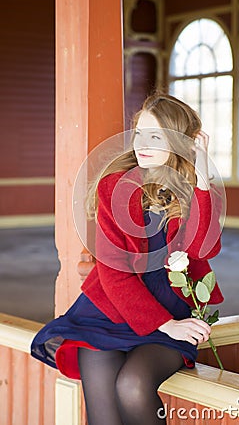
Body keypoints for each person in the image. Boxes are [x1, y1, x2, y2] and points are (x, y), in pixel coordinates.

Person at [31, 92, 224, 425]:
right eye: (139, 133)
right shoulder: (114, 188)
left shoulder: (192, 192)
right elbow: (114, 273)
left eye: (156, 135)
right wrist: (169, 325)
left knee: (133, 385)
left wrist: (202, 178)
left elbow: (198, 251)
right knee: (104, 412)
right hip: (110, 309)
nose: (142, 143)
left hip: (168, 311)